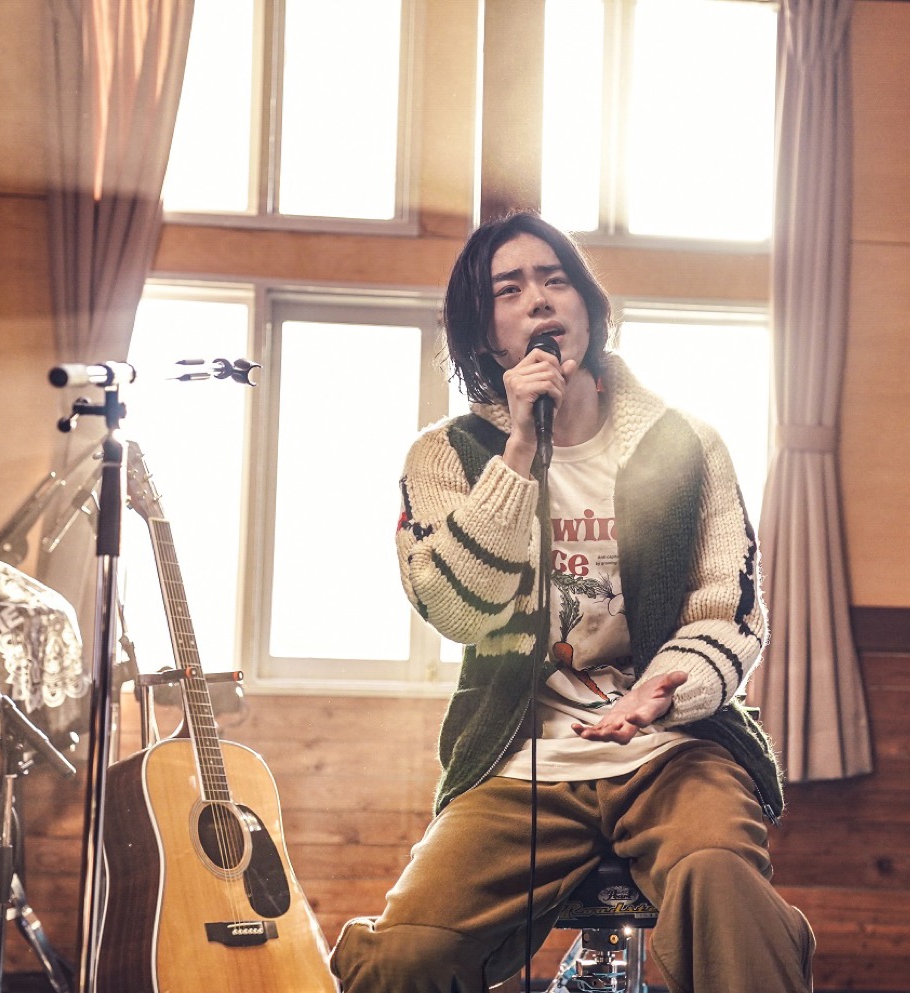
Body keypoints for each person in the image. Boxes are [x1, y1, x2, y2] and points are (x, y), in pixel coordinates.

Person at [330, 212, 813, 993]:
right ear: (485, 335)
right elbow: (457, 608)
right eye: (510, 289)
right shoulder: (443, 456)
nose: (539, 299)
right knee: (402, 956)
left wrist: (667, 687)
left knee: (726, 889)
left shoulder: (687, 445)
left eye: (556, 279)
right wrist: (519, 452)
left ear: (588, 306)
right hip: (518, 762)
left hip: (673, 748)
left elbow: (729, 606)